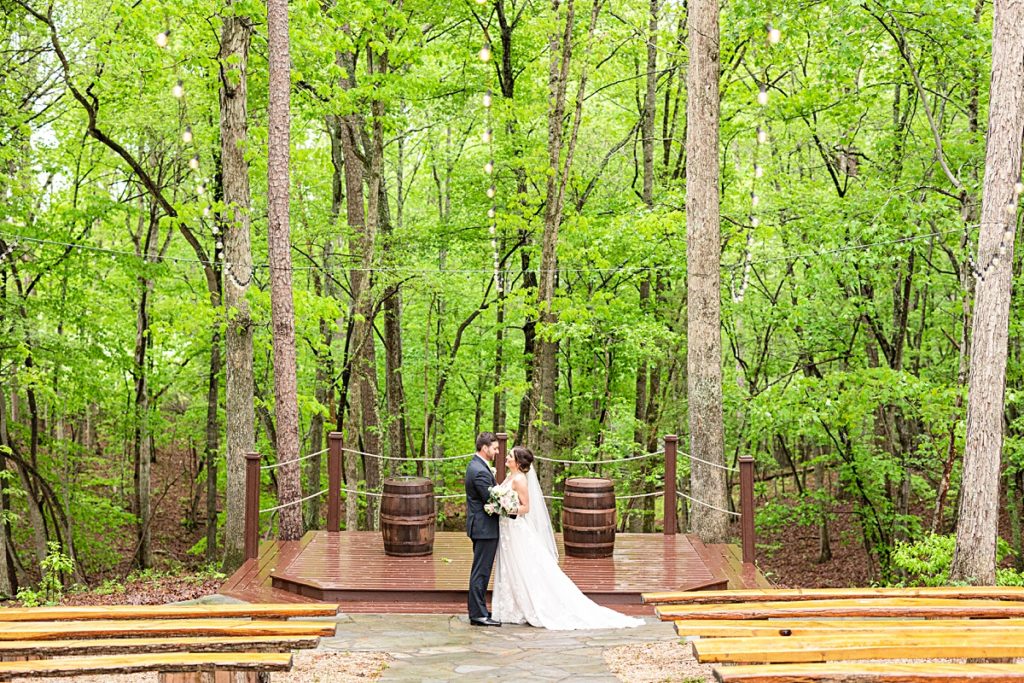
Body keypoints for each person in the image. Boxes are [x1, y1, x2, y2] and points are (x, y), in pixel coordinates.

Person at [491, 446, 644, 630]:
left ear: (518, 462)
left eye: (510, 456)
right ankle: (512, 607)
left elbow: (526, 508)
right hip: (507, 530)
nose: (506, 457)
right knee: (511, 567)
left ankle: (531, 606)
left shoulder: (520, 480)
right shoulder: (510, 476)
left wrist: (507, 509)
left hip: (516, 529)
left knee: (523, 566)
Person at [464, 432, 501, 627]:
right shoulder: (479, 471)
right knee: (481, 571)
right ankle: (478, 614)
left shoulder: (477, 466)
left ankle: (480, 609)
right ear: (484, 448)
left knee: (481, 570)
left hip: (482, 527)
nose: (496, 452)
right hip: (484, 528)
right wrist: (510, 508)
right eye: (494, 448)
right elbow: (492, 500)